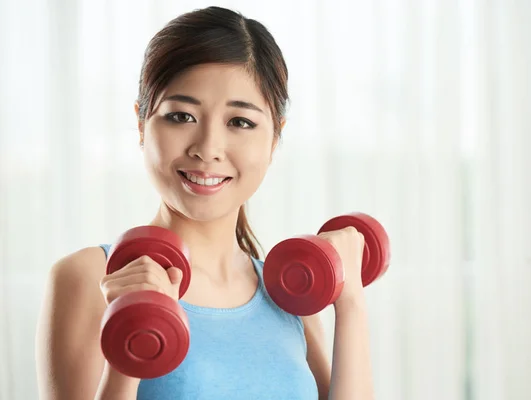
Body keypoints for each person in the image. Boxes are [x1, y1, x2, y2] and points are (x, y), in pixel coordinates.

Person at [35, 6, 374, 400]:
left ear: (275, 137)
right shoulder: (89, 277)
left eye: (240, 122)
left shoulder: (288, 296)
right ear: (142, 124)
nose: (208, 148)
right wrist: (129, 345)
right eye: (181, 116)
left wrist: (351, 304)